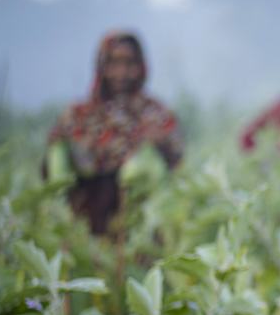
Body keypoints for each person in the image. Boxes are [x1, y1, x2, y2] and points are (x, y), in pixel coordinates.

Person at [46, 31, 182, 235]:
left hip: (139, 222)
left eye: (130, 64)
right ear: (101, 66)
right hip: (85, 222)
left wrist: (157, 146)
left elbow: (176, 158)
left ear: (141, 67)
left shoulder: (155, 113)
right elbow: (57, 168)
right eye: (113, 64)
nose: (122, 73)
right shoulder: (79, 114)